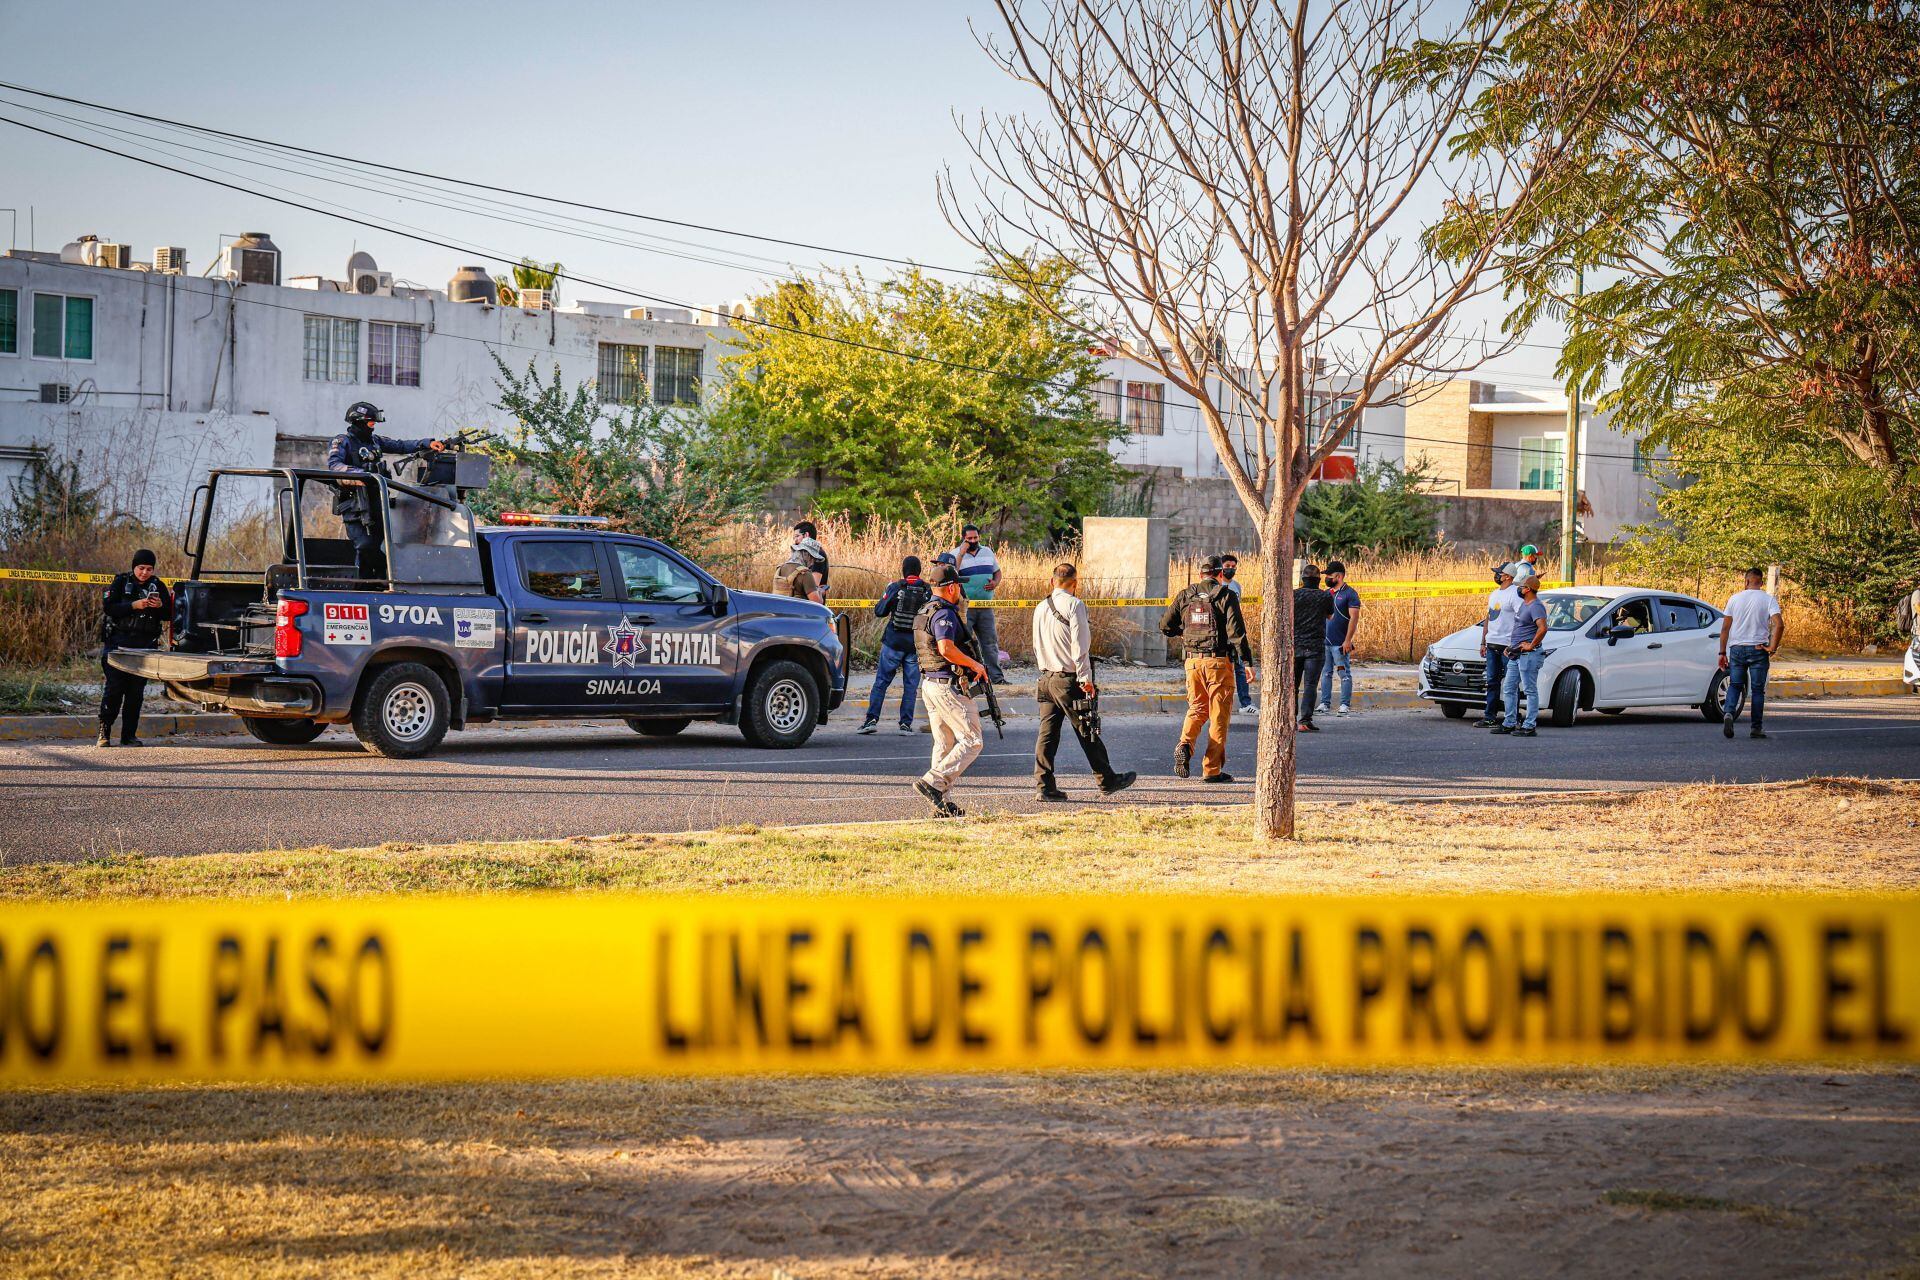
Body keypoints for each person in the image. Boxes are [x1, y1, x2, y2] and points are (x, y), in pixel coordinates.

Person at [1031, 562, 1137, 800]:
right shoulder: (1075, 605)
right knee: (1086, 729)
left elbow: (1036, 644)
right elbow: (1080, 647)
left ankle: (1044, 786)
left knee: (1047, 735)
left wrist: (1045, 667)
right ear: (1075, 583)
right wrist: (1085, 678)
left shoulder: (1040, 607)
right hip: (1069, 680)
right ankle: (1107, 780)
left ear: (1052, 581)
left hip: (1046, 678)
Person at [1160, 555, 1255, 782]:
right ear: (1220, 574)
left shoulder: (1186, 594)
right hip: (1219, 663)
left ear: (1201, 573)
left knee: (1197, 708)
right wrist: (1248, 662)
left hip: (1192, 662)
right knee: (1218, 716)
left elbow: (1165, 625)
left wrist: (1182, 633)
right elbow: (1236, 633)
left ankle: (1185, 744)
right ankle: (1212, 770)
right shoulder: (1226, 595)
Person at [328, 402, 443, 582]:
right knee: (365, 545)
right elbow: (335, 465)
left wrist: (427, 443)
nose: (373, 427)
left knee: (380, 545)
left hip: (377, 502)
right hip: (355, 504)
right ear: (359, 422)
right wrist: (362, 475)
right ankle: (379, 577)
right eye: (371, 423)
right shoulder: (343, 441)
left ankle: (371, 584)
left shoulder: (376, 441)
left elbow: (401, 446)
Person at [913, 563, 990, 816]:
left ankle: (941, 805)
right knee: (972, 740)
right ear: (951, 587)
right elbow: (946, 649)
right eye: (958, 585)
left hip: (931, 685)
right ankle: (933, 783)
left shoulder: (925, 610)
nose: (960, 590)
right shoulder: (943, 613)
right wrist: (975, 664)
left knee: (944, 743)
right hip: (947, 686)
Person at [97, 548, 174, 748]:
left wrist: (159, 607)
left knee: (135, 694)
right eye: (141, 568)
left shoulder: (158, 585)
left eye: (149, 569)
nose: (145, 573)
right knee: (114, 690)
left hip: (144, 647)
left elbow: (169, 614)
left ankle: (128, 736)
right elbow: (109, 607)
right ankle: (104, 733)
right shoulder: (121, 582)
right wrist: (134, 605)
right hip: (118, 645)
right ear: (134, 567)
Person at [860, 555, 929, 734]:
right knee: (911, 687)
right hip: (915, 646)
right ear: (919, 571)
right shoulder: (928, 590)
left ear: (903, 570)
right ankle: (905, 724)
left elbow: (879, 611)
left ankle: (871, 721)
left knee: (881, 682)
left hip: (893, 643)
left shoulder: (895, 587)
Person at [1719, 566, 1784, 740]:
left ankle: (1729, 713)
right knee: (1757, 691)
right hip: (1758, 649)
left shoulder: (1734, 599)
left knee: (1735, 685)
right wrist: (1772, 647)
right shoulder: (1768, 599)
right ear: (1761, 582)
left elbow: (1725, 628)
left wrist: (1722, 652)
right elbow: (1779, 624)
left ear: (1746, 581)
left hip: (1737, 648)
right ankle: (1756, 728)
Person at [1492, 576, 1549, 737]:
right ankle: (1509, 723)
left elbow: (1543, 628)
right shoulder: (1524, 604)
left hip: (1529, 655)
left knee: (1530, 690)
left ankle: (1529, 725)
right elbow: (1520, 629)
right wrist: (1511, 647)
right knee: (1509, 688)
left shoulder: (1536, 606)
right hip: (1516, 654)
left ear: (1528, 589)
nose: (1518, 589)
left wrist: (1531, 645)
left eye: (1521, 586)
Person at [949, 524, 1006, 683]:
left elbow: (998, 571)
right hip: (964, 608)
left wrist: (995, 582)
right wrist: (961, 553)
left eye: (975, 538)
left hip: (985, 606)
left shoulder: (987, 552)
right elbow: (953, 573)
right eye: (970, 538)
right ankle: (965, 678)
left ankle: (996, 678)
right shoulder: (955, 554)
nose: (973, 541)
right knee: (963, 643)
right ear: (963, 538)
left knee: (990, 643)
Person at [1475, 565, 1520, 728]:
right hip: (1492, 644)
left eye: (1499, 573)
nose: (1496, 576)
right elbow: (1489, 618)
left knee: (1510, 684)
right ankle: (1490, 716)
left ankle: (1513, 718)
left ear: (1508, 576)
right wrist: (1483, 641)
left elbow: (1520, 619)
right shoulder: (1494, 594)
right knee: (1492, 682)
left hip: (1508, 647)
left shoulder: (1515, 594)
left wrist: (1514, 644)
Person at [1292, 564, 1335, 732]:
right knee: (1310, 684)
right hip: (1315, 646)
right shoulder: (1324, 596)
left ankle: (1290, 717)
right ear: (1319, 580)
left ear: (1303, 579)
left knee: (1292, 685)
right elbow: (1330, 616)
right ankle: (1304, 720)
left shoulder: (1294, 595)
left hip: (1295, 645)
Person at [1317, 560, 1362, 716]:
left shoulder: (1350, 594)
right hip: (1325, 642)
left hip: (1340, 644)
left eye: (1329, 575)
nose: (1327, 578)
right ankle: (1324, 703)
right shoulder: (1326, 593)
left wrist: (1347, 640)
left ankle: (1344, 704)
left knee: (1343, 673)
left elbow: (1354, 618)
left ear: (1339, 576)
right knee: (1326, 673)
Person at [1220, 554, 1256, 714]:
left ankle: (1245, 703)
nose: (1231, 569)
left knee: (1241, 668)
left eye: (1233, 566)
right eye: (1227, 566)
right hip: (1221, 634)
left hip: (1235, 633)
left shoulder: (1237, 586)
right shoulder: (1216, 585)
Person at [789, 521, 830, 604]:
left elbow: (814, 586)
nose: (795, 540)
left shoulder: (817, 555)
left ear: (806, 535)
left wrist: (820, 591)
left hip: (811, 606)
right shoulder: (799, 556)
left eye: (797, 536)